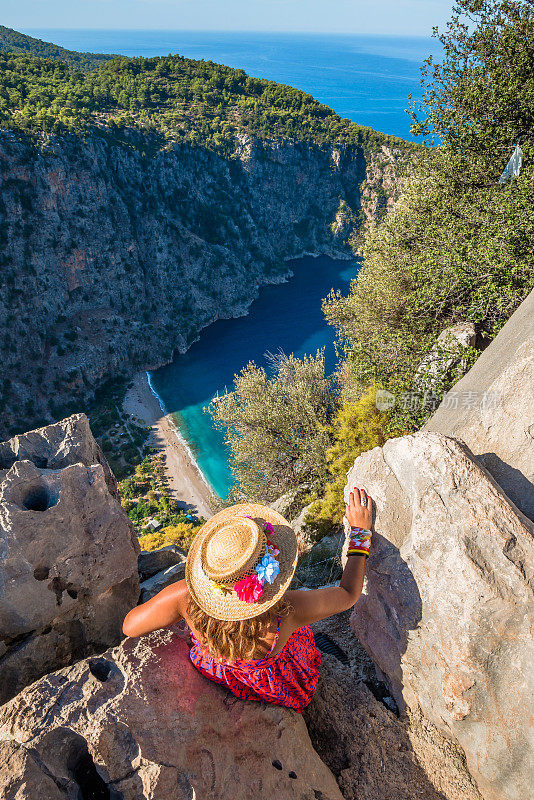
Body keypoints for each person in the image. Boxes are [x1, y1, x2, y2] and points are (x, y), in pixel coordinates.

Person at [122, 486, 373, 712]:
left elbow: (130, 626)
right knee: (306, 639)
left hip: (221, 675)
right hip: (277, 684)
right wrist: (360, 532)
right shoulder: (288, 612)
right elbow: (348, 594)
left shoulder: (184, 598)